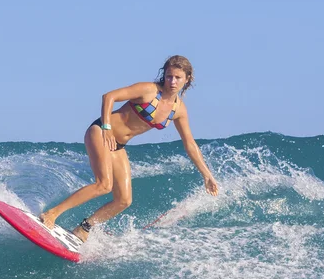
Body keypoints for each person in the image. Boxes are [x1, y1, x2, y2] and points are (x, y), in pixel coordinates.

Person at [40, 55, 219, 242]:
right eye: (169, 76)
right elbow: (109, 97)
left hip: (118, 145)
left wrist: (207, 175)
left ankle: (84, 228)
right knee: (104, 185)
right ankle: (52, 213)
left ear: (187, 79)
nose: (172, 81)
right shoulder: (149, 90)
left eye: (177, 78)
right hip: (101, 131)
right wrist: (107, 128)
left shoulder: (178, 110)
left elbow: (189, 143)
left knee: (124, 200)